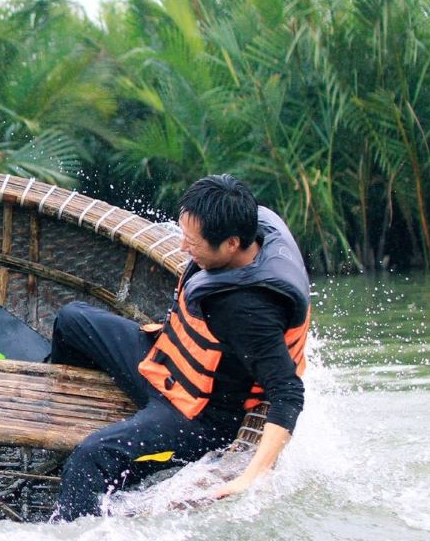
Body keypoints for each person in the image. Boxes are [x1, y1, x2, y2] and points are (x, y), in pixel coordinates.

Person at [52, 174, 309, 520]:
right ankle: (61, 414)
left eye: (193, 242)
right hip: (165, 363)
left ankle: (71, 526)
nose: (183, 248)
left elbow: (288, 393)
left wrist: (251, 477)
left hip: (197, 415)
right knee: (71, 319)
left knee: (89, 457)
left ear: (231, 244)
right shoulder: (255, 228)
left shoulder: (248, 311)